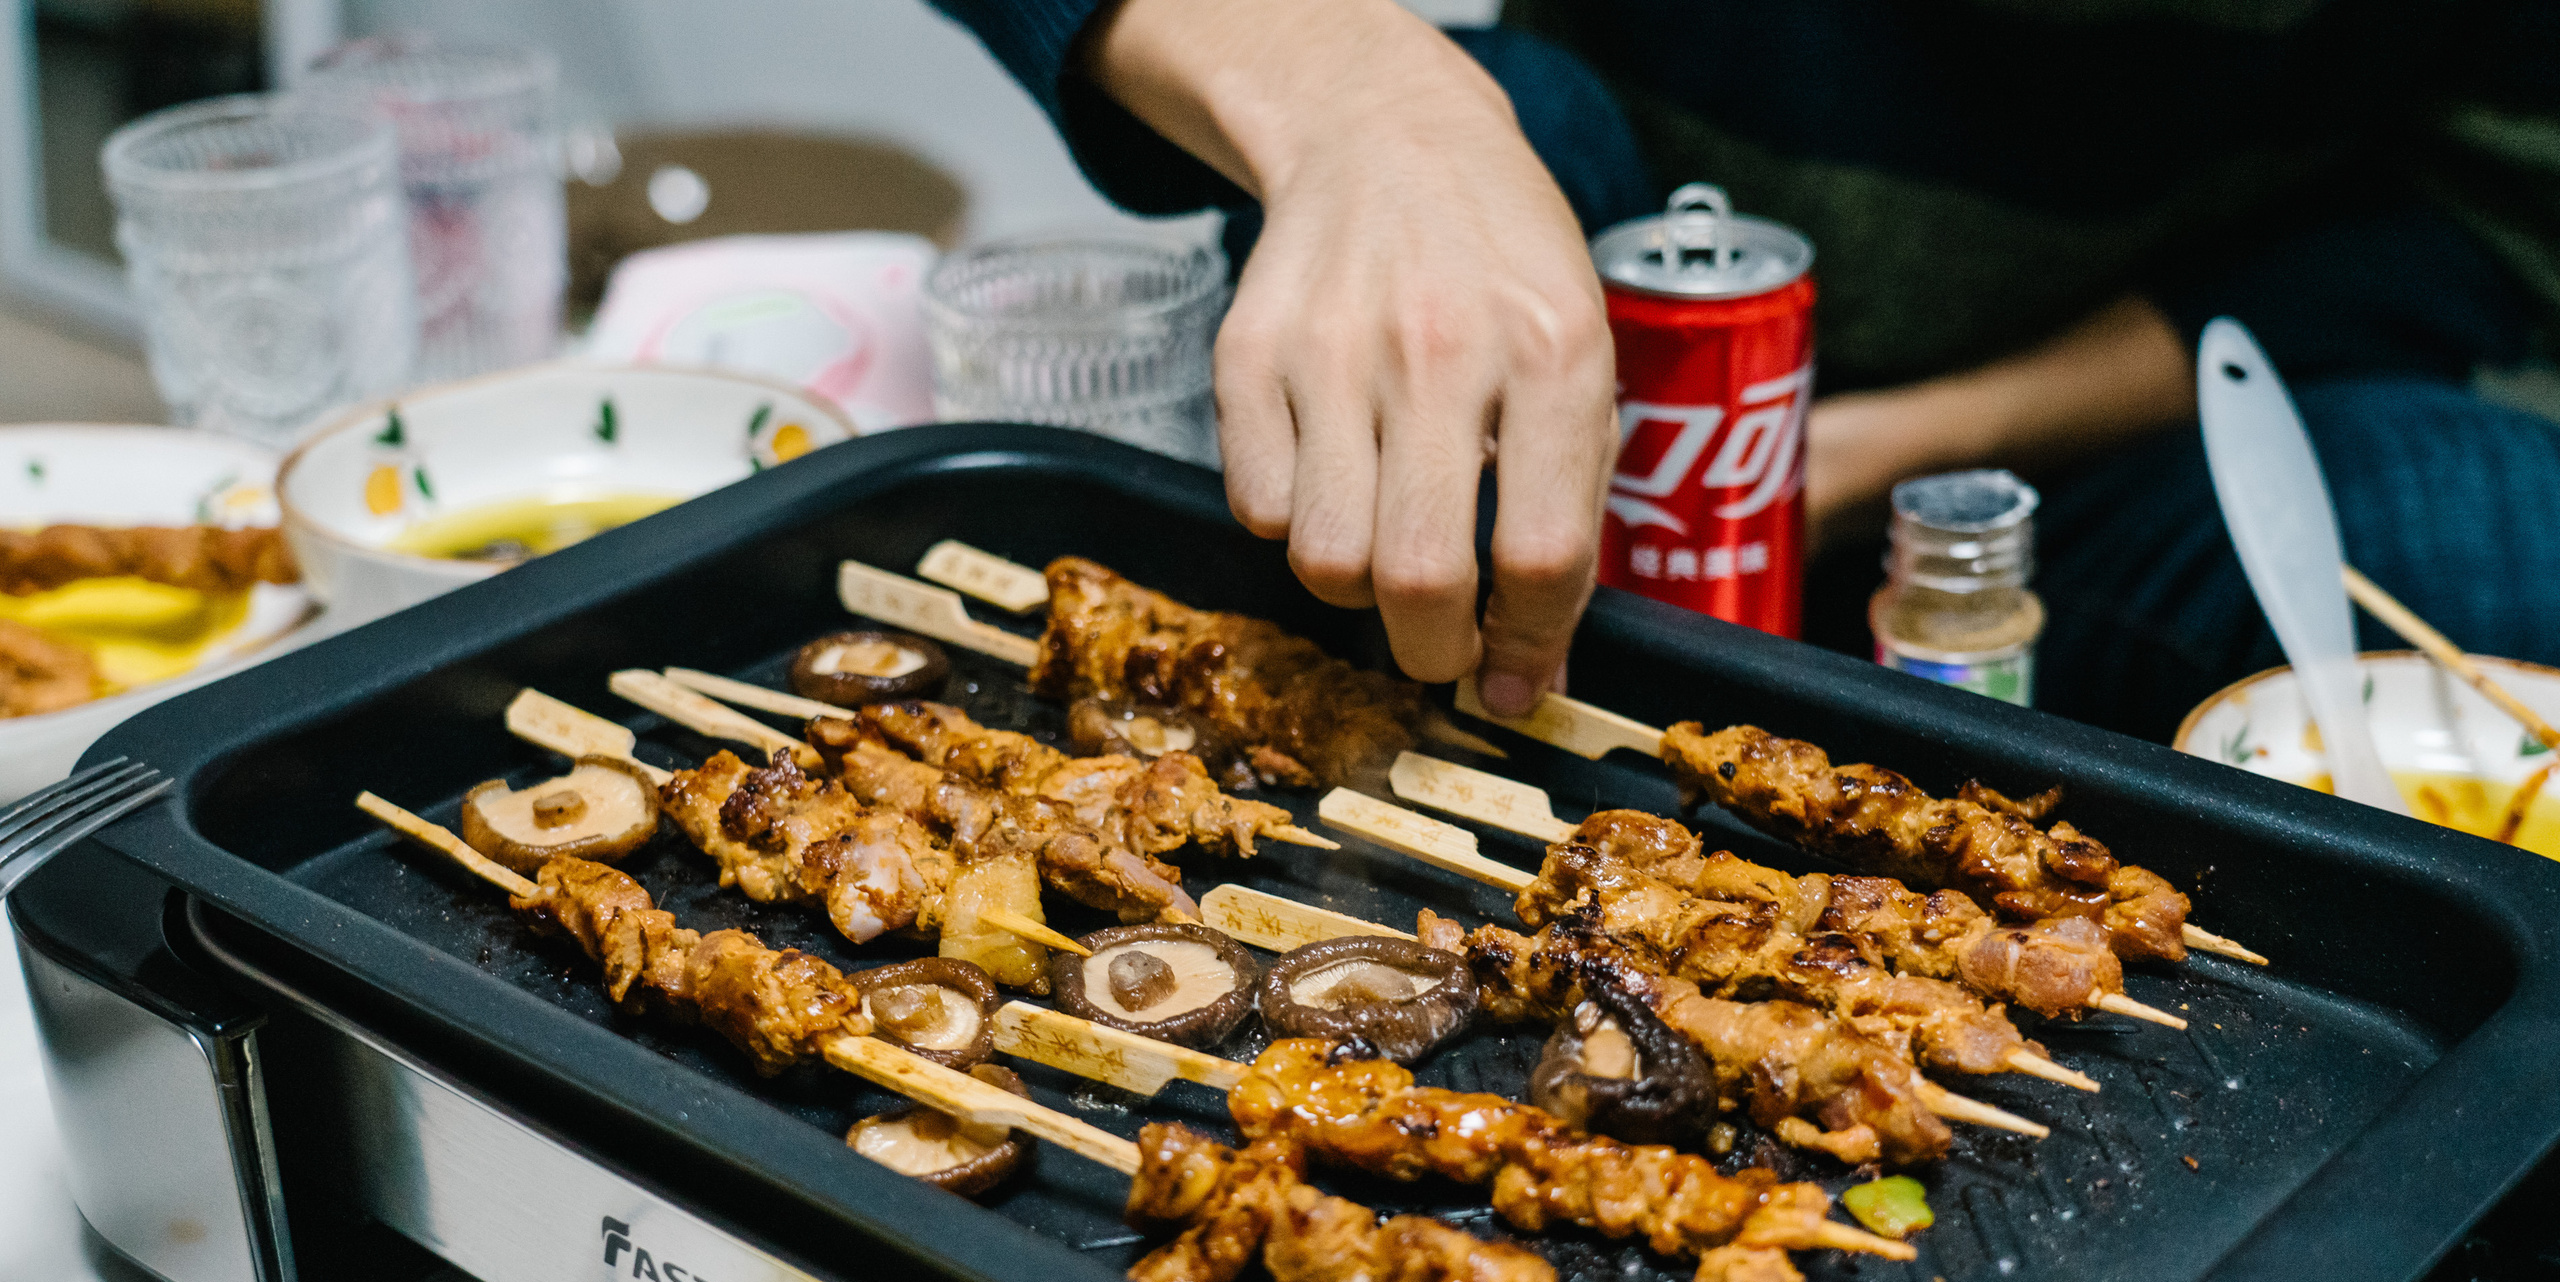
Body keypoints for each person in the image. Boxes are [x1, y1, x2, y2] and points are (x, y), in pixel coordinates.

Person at [929, 0, 2560, 740]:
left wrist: (1865, 454)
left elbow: (2465, 217)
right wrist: (1357, 91)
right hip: (1604, 275)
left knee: (2493, 522)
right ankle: (1381, 678)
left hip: (2090, 437)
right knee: (1525, 118)